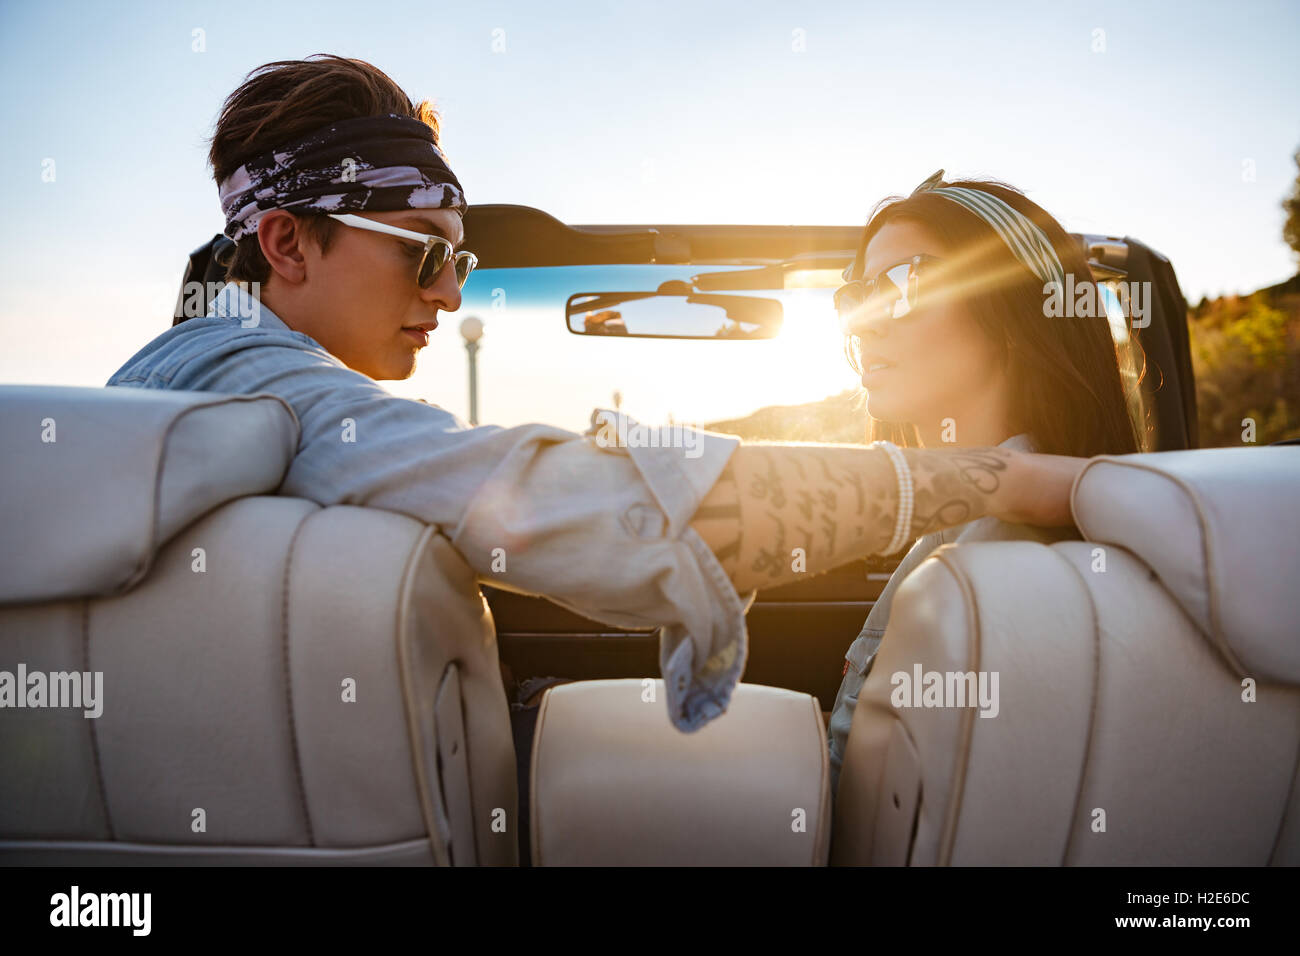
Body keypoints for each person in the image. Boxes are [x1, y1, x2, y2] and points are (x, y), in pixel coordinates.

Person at [105, 56, 1085, 844]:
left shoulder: (213, 380)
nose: (450, 294)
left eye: (463, 259)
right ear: (285, 244)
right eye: (424, 250)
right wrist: (1012, 474)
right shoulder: (268, 393)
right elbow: (598, 506)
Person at [825, 170, 1147, 798]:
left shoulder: (997, 559)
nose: (862, 323)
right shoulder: (958, 531)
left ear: (1013, 306)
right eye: (856, 295)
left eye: (903, 281)